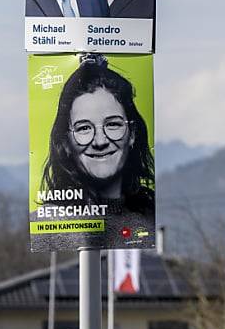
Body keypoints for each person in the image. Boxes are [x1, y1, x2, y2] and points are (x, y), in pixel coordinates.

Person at [40, 54, 155, 218]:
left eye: (113, 124)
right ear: (65, 143)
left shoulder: (151, 218)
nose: (100, 141)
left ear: (133, 134)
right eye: (84, 128)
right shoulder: (45, 227)